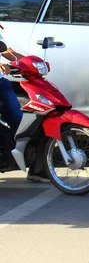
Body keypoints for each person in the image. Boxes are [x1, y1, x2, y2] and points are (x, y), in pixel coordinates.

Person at [0, 39, 49, 182]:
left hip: (2, 84)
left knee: (21, 124)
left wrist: (28, 63)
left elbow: (6, 50)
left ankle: (35, 168)